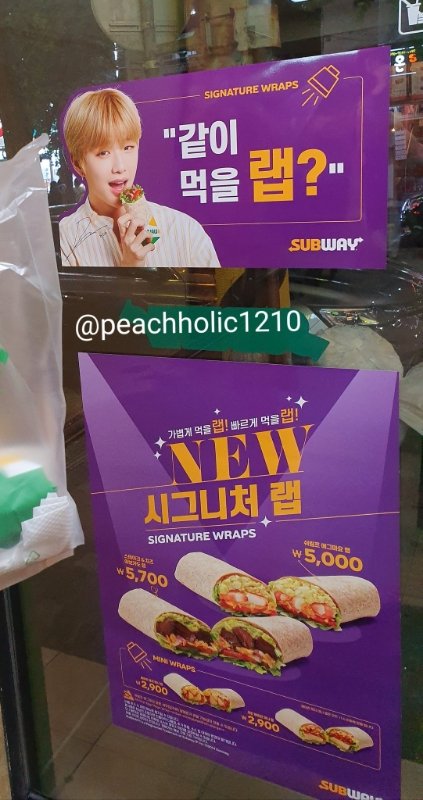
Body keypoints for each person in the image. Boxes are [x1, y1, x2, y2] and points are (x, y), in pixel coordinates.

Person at [59, 88, 220, 268]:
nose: (120, 167)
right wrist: (130, 268)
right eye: (103, 153)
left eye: (128, 148)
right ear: (78, 163)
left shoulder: (186, 230)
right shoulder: (64, 240)